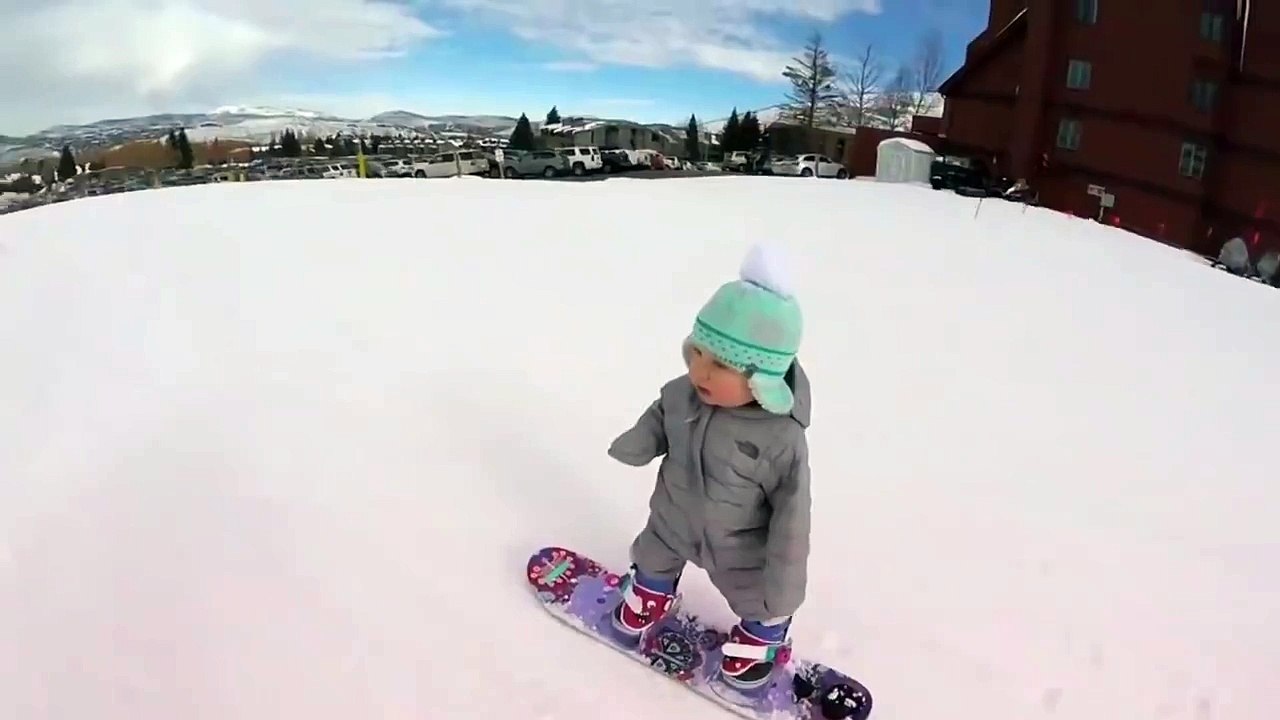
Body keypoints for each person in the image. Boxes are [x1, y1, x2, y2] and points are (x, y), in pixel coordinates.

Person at [606, 243, 812, 692]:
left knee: (757, 593)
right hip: (673, 516)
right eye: (698, 352)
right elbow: (662, 414)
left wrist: (785, 584)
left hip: (738, 543)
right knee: (653, 553)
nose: (699, 371)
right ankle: (652, 592)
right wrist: (641, 441)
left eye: (720, 363)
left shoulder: (781, 441)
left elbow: (793, 519)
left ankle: (765, 632)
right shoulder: (683, 393)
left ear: (764, 378)